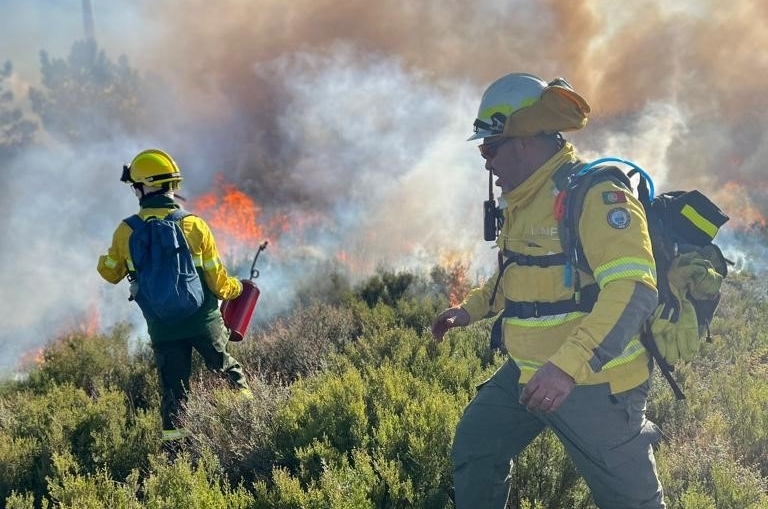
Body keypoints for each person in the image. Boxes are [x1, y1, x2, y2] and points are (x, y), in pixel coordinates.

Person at [431, 73, 666, 508]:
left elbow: (633, 289)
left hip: (594, 383)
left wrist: (566, 368)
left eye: (490, 148)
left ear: (522, 141)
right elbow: (519, 273)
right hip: (529, 371)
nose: (487, 163)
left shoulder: (596, 194)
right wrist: (471, 309)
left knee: (631, 503)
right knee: (477, 446)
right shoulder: (524, 199)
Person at [97, 148, 251, 446]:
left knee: (173, 390)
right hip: (203, 322)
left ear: (147, 186)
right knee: (226, 369)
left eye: (135, 185)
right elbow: (219, 285)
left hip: (162, 326)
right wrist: (238, 289)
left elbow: (109, 274)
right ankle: (255, 416)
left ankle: (175, 449)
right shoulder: (194, 225)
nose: (134, 191)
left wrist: (106, 261)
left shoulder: (126, 231)